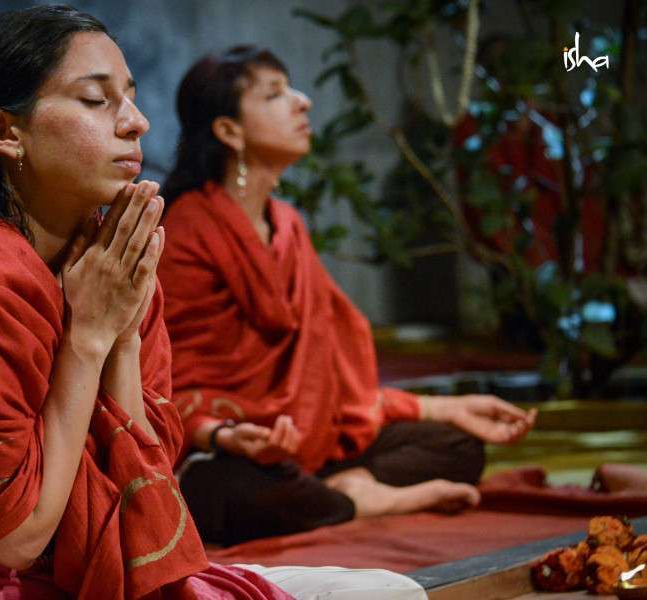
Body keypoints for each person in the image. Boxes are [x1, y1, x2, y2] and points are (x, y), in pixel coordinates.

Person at [0, 7, 425, 599]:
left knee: (386, 590)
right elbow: (17, 541)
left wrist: (119, 334)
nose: (137, 123)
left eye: (131, 99)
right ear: (7, 132)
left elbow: (150, 471)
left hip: (98, 563)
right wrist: (89, 337)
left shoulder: (111, 260)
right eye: (97, 101)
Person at [157, 46, 538, 547]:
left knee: (458, 445)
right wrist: (221, 434)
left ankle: (341, 494)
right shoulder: (186, 230)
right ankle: (366, 499)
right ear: (229, 131)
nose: (303, 102)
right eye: (276, 94)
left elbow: (330, 387)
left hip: (308, 444)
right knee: (230, 491)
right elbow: (160, 382)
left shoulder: (288, 225)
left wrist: (449, 408)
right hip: (224, 452)